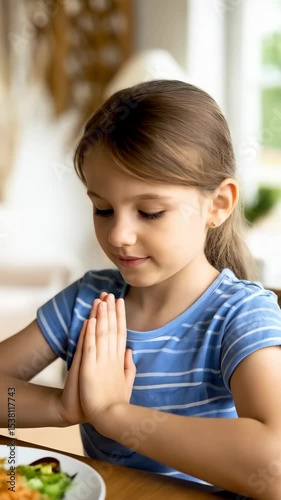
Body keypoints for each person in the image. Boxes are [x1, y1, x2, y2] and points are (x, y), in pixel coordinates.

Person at [1, 79, 281, 499]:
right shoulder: (88, 301)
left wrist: (115, 415)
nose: (119, 235)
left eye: (149, 212)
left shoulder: (240, 316)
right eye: (103, 209)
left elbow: (274, 467)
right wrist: (61, 408)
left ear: (218, 205)